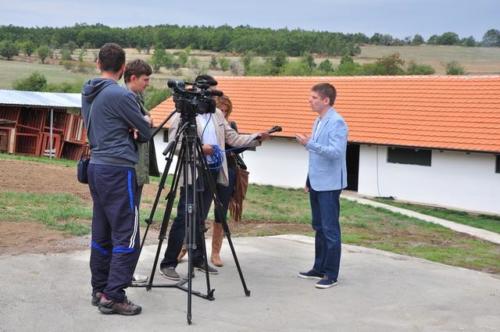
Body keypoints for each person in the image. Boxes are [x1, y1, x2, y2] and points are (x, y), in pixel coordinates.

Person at [159, 75, 269, 281]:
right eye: (208, 91)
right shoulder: (184, 113)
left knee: (200, 218)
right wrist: (201, 148)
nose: (211, 96)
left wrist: (257, 137)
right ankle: (168, 263)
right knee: (184, 217)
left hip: (212, 172)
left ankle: (199, 259)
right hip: (194, 172)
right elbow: (175, 145)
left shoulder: (217, 114)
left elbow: (233, 139)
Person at [81, 43, 152, 315]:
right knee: (126, 233)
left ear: (98, 63)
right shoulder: (121, 96)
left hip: (96, 167)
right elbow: (144, 131)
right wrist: (139, 122)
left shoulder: (88, 92)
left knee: (102, 231)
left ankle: (99, 288)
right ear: (123, 68)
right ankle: (114, 296)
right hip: (119, 169)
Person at [295, 83, 348, 289]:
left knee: (330, 229)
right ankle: (318, 267)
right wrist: (309, 179)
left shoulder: (337, 123)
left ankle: (331, 274)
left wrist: (309, 144)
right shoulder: (318, 120)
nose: (310, 100)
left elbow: (335, 152)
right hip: (317, 181)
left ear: (326, 100)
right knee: (318, 227)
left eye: (314, 97)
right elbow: (316, 155)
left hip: (329, 183)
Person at [123, 59, 159, 285]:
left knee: (128, 223)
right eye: (145, 79)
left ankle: (124, 273)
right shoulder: (127, 101)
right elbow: (137, 131)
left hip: (136, 171)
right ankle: (124, 274)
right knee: (129, 225)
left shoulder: (137, 100)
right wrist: (145, 122)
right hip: (130, 171)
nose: (148, 84)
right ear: (133, 78)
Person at [210, 95, 246, 267]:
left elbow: (237, 146)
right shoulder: (207, 124)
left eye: (226, 111)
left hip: (228, 170)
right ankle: (185, 248)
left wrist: (255, 140)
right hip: (209, 169)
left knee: (221, 212)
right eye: (220, 110)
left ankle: (215, 252)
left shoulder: (231, 126)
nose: (223, 113)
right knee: (197, 210)